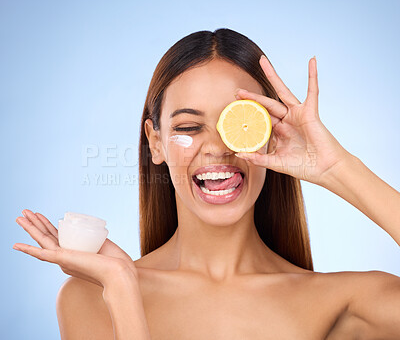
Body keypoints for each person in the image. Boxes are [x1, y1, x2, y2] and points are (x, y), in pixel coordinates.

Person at [13, 28, 400, 339]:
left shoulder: (344, 304)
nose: (216, 148)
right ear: (156, 141)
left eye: (238, 125)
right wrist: (122, 288)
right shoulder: (91, 298)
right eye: (188, 127)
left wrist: (334, 166)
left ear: (267, 134)